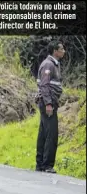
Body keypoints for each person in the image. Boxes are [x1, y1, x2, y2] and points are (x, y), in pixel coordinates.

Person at [35, 41, 65, 173]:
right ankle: (47, 165)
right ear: (55, 51)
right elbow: (44, 85)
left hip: (50, 102)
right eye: (61, 49)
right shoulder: (48, 65)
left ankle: (40, 164)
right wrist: (48, 103)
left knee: (43, 133)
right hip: (48, 102)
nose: (64, 51)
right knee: (51, 134)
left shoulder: (54, 65)